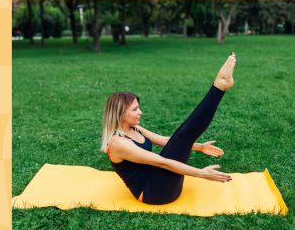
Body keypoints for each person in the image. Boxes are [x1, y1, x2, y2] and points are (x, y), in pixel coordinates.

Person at [100, 52, 237, 205]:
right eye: (134, 110)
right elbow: (162, 163)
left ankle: (220, 86)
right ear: (121, 114)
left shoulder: (134, 128)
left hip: (163, 183)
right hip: (155, 193)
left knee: (182, 136)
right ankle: (220, 86)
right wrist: (202, 174)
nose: (140, 113)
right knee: (183, 135)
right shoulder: (119, 143)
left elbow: (166, 141)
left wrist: (200, 147)